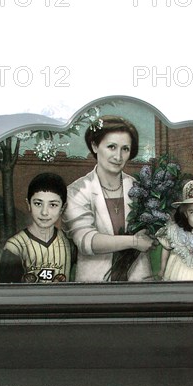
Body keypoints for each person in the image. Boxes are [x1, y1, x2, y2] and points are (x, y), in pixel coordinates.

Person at [63, 115, 154, 282]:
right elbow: (86, 242)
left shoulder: (138, 187)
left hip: (139, 284)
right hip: (96, 288)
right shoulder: (77, 191)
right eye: (112, 147)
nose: (118, 156)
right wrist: (134, 241)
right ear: (95, 145)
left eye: (125, 149)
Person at [0, 172, 71, 283]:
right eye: (38, 204)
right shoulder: (14, 247)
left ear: (62, 208)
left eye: (53, 205)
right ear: (28, 204)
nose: (44, 212)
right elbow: (6, 293)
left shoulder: (69, 243)